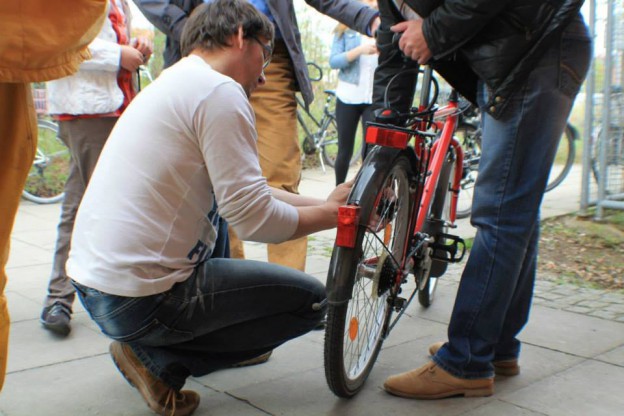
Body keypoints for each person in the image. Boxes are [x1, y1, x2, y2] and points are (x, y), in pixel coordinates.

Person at [66, 1, 352, 414]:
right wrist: (334, 218)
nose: (266, 73)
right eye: (265, 53)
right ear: (239, 36)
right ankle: (157, 360)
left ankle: (152, 346)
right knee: (312, 302)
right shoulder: (220, 92)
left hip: (99, 286)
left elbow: (248, 191)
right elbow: (254, 219)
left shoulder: (180, 80)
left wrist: (323, 204)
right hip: (139, 301)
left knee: (216, 210)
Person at [373, 0, 592, 399]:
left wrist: (433, 33)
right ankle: (498, 345)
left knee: (500, 213)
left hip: (537, 48)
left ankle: (467, 361)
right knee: (516, 210)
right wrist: (382, 146)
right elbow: (394, 54)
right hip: (514, 55)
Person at [133, 0, 379, 272]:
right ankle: (234, 283)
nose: (260, 81)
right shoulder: (209, 88)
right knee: (216, 193)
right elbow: (249, 215)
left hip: (256, 42)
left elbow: (251, 192)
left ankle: (278, 289)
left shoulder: (169, 87)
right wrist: (334, 215)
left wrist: (369, 18)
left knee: (270, 178)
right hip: (218, 42)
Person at [0, 0, 107, 391]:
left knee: (90, 208)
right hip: (82, 110)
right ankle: (61, 297)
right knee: (80, 208)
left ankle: (70, 296)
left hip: (108, 105)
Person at [40, 0, 153, 337]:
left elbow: (129, 27)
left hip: (111, 108)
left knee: (82, 205)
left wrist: (141, 43)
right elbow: (60, 41)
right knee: (102, 209)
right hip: (87, 110)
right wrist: (119, 56)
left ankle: (60, 297)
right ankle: (109, 300)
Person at [329, 0, 379, 185]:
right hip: (347, 97)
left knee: (370, 150)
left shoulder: (385, 28)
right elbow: (334, 61)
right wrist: (359, 50)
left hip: (373, 98)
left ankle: (364, 194)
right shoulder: (345, 28)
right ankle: (337, 192)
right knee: (345, 151)